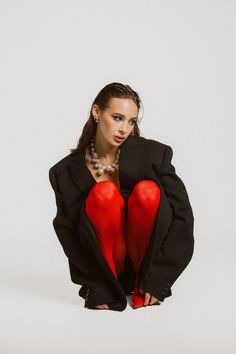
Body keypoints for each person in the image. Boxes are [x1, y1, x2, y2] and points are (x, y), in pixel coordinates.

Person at [49, 82, 194, 311]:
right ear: (97, 112)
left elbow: (183, 217)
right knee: (104, 194)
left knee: (148, 191)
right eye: (117, 117)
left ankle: (142, 284)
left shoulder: (154, 155)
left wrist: (158, 280)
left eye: (131, 121)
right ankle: (108, 284)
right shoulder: (65, 172)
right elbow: (69, 235)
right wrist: (96, 286)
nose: (124, 129)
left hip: (146, 268)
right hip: (105, 269)